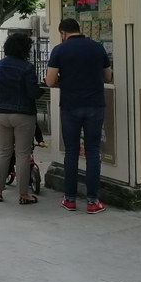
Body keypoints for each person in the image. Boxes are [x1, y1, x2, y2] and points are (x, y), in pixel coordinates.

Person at [46, 18, 113, 214]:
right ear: (78, 29)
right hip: (95, 105)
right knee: (93, 151)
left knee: (71, 152)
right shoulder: (97, 47)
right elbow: (108, 76)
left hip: (70, 106)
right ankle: (93, 202)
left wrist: (63, 80)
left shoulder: (59, 50)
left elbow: (50, 81)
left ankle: (70, 199)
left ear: (62, 33)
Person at [0, 33, 44, 205]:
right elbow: (33, 92)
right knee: (22, 154)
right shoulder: (27, 67)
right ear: (25, 49)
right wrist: (43, 87)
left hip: (2, 113)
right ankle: (23, 194)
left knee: (3, 151)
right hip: (23, 115)